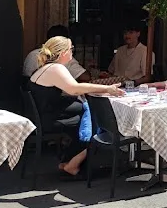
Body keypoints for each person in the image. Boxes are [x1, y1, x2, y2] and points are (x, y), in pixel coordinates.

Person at [29, 36, 125, 177]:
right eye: (71, 49)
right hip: (52, 119)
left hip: (45, 116)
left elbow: (68, 89)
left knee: (85, 113)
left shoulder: (45, 68)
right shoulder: (56, 69)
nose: (72, 51)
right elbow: (75, 88)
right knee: (95, 120)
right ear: (63, 53)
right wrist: (106, 89)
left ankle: (70, 160)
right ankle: (75, 163)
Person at [23, 25, 90, 82]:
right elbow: (85, 77)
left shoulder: (32, 54)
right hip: (51, 96)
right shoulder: (60, 57)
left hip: (32, 95)